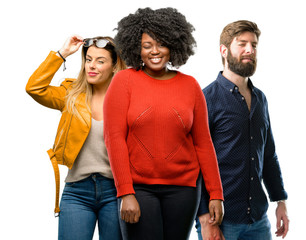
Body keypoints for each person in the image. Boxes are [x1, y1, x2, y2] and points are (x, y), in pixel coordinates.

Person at [103, 7, 224, 240]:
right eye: (147, 45)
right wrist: (125, 192)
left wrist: (216, 193)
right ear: (137, 48)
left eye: (162, 44)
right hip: (138, 188)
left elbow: (204, 143)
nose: (155, 52)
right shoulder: (124, 81)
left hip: (184, 190)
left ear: (174, 46)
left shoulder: (190, 85)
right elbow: (114, 138)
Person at [26, 35, 126, 240]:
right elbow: (34, 88)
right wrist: (62, 54)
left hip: (116, 191)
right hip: (77, 191)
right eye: (88, 59)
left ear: (114, 66)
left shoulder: (127, 99)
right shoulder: (71, 94)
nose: (92, 66)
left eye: (100, 61)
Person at [196, 20, 289, 240]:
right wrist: (203, 219)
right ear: (224, 50)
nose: (250, 50)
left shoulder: (260, 99)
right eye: (242, 44)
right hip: (220, 220)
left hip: (258, 220)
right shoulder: (205, 99)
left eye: (254, 45)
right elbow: (194, 163)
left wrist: (280, 201)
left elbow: (268, 154)